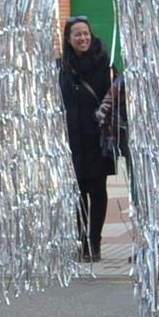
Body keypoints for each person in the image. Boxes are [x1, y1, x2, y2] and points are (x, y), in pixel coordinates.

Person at [58, 15, 115, 261]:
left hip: (97, 136)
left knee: (98, 190)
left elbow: (116, 91)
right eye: (77, 35)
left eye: (85, 34)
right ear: (68, 40)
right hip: (72, 139)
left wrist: (103, 112)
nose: (82, 38)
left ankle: (95, 243)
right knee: (78, 192)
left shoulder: (104, 62)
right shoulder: (61, 67)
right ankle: (81, 241)